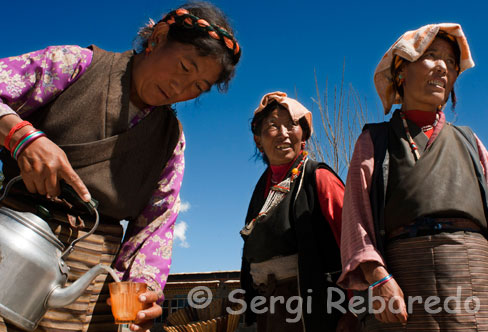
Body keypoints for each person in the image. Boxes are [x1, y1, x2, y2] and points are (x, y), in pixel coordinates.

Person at [0, 2, 241, 332]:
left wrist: (142, 293)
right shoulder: (76, 65)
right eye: (185, 67)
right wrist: (18, 135)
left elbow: (156, 225)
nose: (180, 89)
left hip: (89, 290)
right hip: (12, 250)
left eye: (198, 87)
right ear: (158, 37)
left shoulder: (171, 140)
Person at [338, 23, 488, 331]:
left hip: (476, 278)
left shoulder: (470, 142)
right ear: (401, 71)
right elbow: (356, 223)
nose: (443, 67)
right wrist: (379, 278)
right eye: (431, 56)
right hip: (404, 280)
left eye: (451, 63)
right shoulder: (374, 141)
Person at [240, 92, 351, 331]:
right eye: (272, 126)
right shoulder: (261, 190)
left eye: (292, 125)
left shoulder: (319, 178)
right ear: (258, 139)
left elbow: (352, 244)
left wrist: (354, 310)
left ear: (304, 136)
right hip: (269, 311)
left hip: (316, 311)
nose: (284, 133)